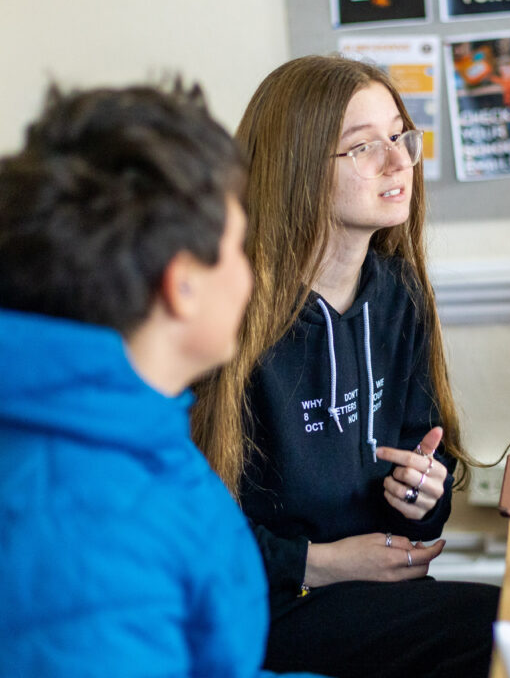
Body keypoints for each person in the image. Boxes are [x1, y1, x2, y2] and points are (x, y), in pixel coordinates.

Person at [0, 82, 322, 677]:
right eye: (235, 249)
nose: (249, 277)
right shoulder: (82, 538)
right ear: (183, 286)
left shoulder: (119, 423)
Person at [193, 55, 500, 678]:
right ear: (296, 171)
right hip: (268, 607)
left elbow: (425, 473)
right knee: (509, 633)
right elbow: (188, 531)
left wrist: (421, 495)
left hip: (378, 593)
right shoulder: (227, 321)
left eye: (399, 136)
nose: (398, 162)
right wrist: (323, 563)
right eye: (363, 148)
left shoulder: (396, 291)